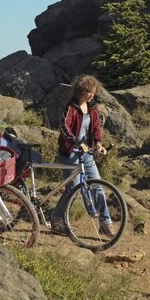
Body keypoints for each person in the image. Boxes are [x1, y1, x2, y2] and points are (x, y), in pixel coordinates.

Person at [50, 75, 112, 235]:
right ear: (82, 91)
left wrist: (98, 143)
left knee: (97, 186)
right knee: (73, 190)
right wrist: (77, 142)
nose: (93, 95)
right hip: (70, 154)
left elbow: (97, 127)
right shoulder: (70, 107)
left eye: (94, 92)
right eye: (91, 92)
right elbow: (64, 128)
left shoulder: (93, 108)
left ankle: (105, 224)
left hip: (87, 155)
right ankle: (57, 222)